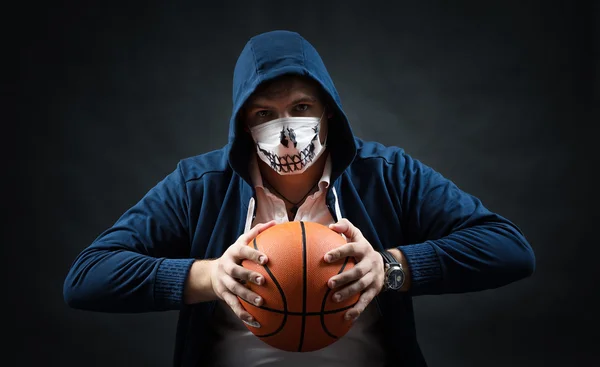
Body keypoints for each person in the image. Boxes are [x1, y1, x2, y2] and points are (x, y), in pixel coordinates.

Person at [63, 30, 536, 367]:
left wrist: (391, 268)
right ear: (243, 124)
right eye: (265, 113)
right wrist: (211, 277)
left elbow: (510, 248)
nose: (286, 131)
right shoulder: (198, 184)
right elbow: (86, 278)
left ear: (328, 108)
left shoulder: (388, 174)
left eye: (302, 108)